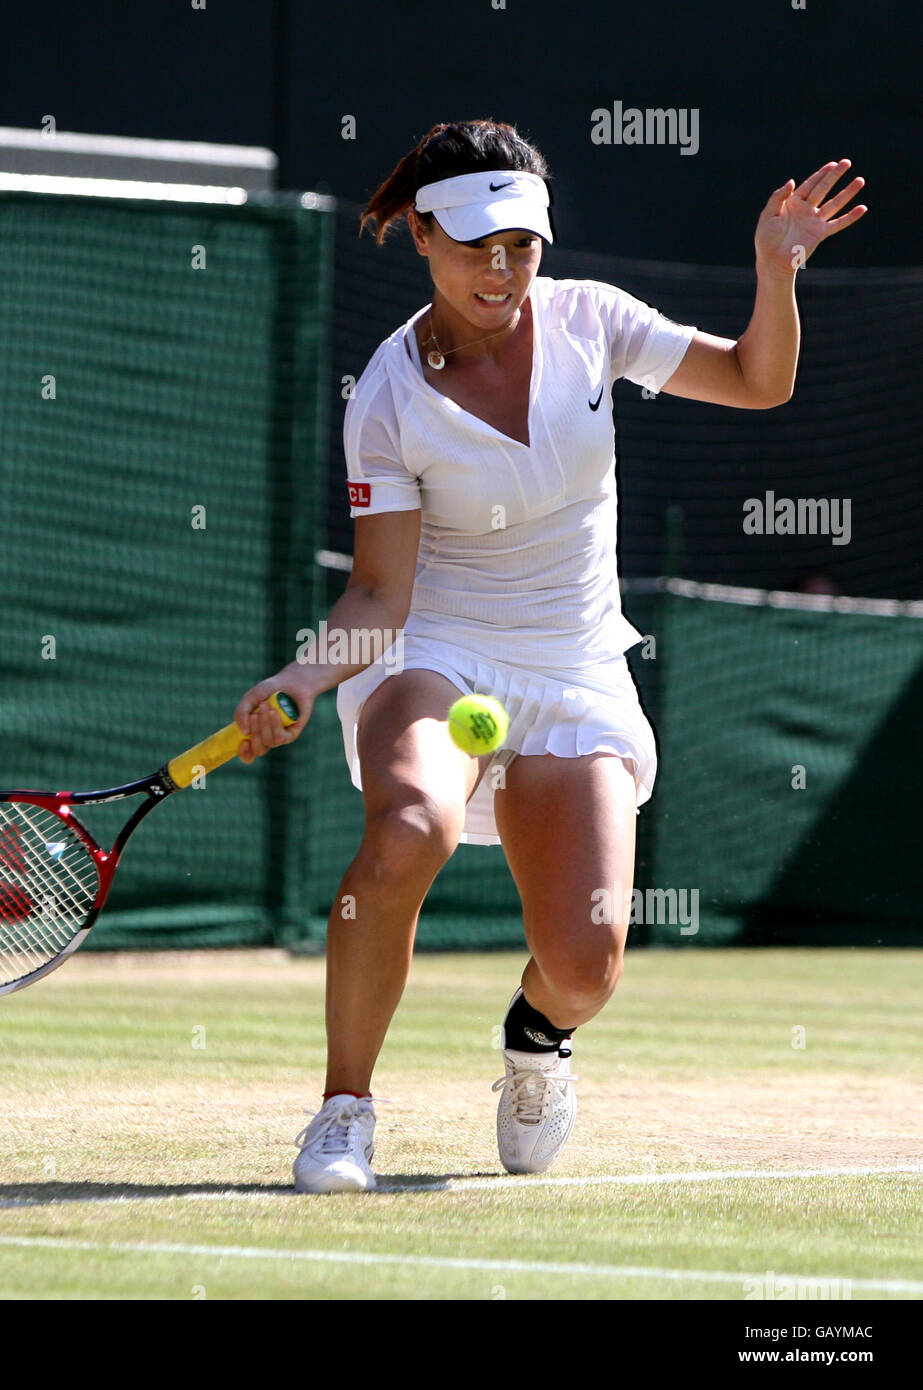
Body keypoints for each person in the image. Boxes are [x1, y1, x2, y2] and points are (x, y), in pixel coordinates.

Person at [234, 120, 866, 1192]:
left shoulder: (592, 321)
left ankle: (536, 1038)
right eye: (477, 243)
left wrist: (775, 268)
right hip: (432, 649)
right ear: (423, 236)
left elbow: (757, 381)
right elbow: (382, 594)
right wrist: (306, 673)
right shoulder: (386, 393)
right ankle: (344, 1110)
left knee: (585, 968)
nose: (501, 268)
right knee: (408, 825)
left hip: (573, 663)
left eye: (521, 243)